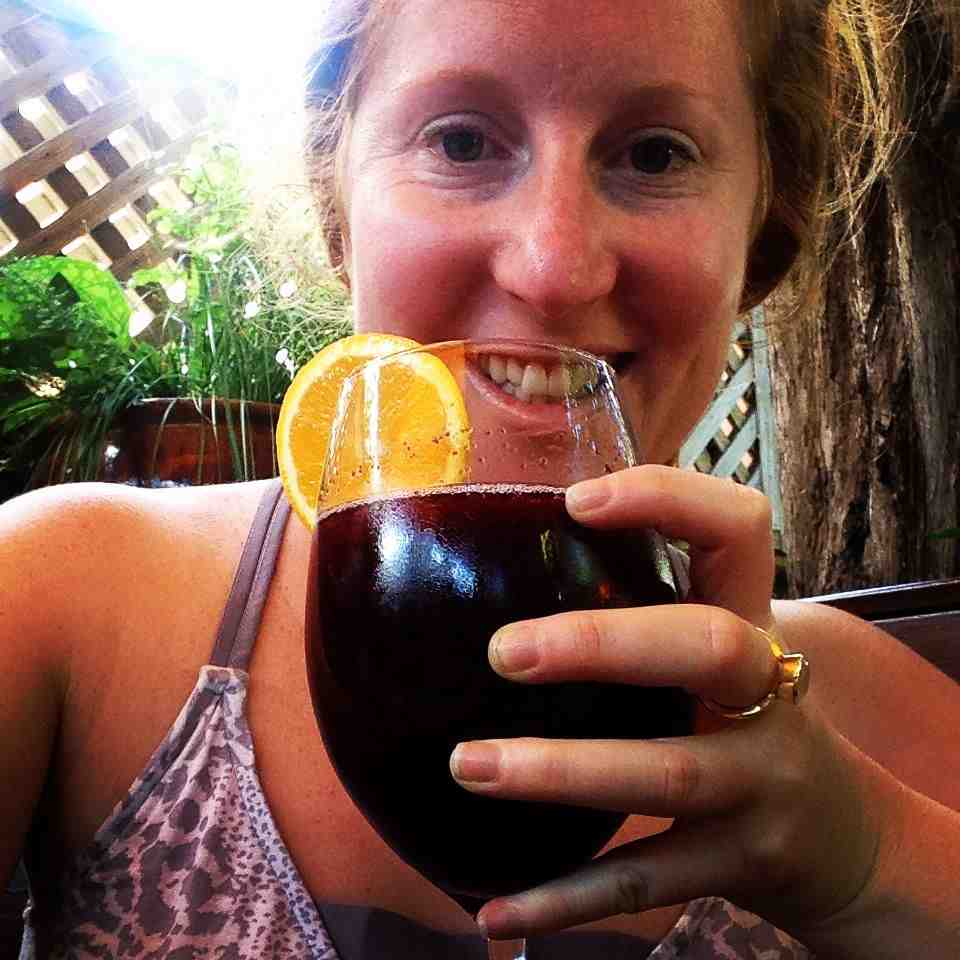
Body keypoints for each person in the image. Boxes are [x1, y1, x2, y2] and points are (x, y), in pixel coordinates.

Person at [3, 0, 959, 957]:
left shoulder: (881, 726)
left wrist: (870, 868)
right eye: (460, 141)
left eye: (656, 154)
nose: (554, 266)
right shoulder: (63, 593)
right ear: (339, 213)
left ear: (759, 237)